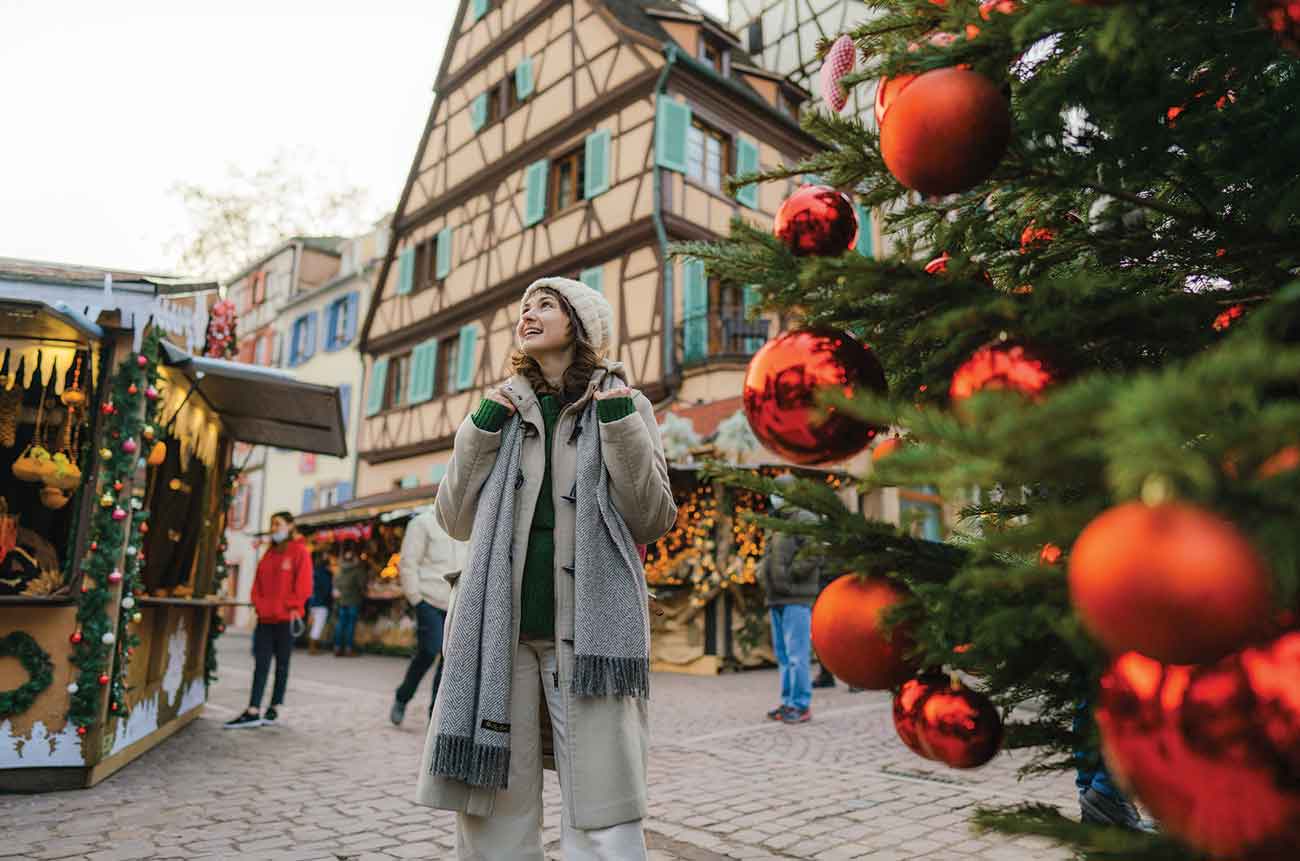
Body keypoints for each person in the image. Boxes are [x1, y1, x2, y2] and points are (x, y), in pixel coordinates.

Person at [415, 277, 676, 860]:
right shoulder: (500, 411)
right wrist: (480, 428)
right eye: (525, 307)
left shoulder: (626, 404)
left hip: (590, 635)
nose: (528, 314)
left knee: (602, 795)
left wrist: (619, 425)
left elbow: (652, 517)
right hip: (498, 634)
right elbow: (453, 518)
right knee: (494, 797)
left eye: (546, 305)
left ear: (579, 324)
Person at [223, 511, 312, 729]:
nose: (274, 528)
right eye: (272, 524)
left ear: (290, 526)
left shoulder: (299, 552)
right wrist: (260, 605)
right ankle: (253, 709)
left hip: (286, 618)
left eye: (278, 524)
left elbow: (304, 585)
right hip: (265, 618)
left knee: (282, 664)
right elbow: (258, 583)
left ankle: (275, 706)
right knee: (261, 663)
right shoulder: (270, 552)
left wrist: (290, 606)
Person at [390, 509, 468, 726]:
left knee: (449, 660)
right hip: (429, 600)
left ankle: (435, 716)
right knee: (429, 651)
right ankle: (402, 696)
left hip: (458, 603)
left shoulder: (467, 522)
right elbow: (408, 562)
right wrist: (416, 598)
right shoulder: (422, 522)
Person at [757, 478, 822, 725]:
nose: (773, 496)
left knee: (797, 655)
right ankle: (788, 702)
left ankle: (801, 705)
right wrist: (762, 575)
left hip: (796, 596)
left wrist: (790, 575)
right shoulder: (775, 521)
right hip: (775, 597)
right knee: (784, 656)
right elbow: (767, 555)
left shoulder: (805, 519)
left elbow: (813, 553)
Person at [332, 543, 365, 657]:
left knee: (340, 624)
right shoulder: (357, 570)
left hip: (341, 601)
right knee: (350, 625)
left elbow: (335, 584)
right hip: (353, 600)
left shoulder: (339, 570)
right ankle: (348, 648)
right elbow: (361, 584)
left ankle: (337, 647)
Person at [307, 550, 335, 655]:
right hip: (321, 603)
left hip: (313, 602)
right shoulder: (326, 575)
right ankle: (312, 648)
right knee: (318, 625)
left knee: (315, 625)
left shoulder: (313, 572)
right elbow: (327, 590)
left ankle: (312, 646)